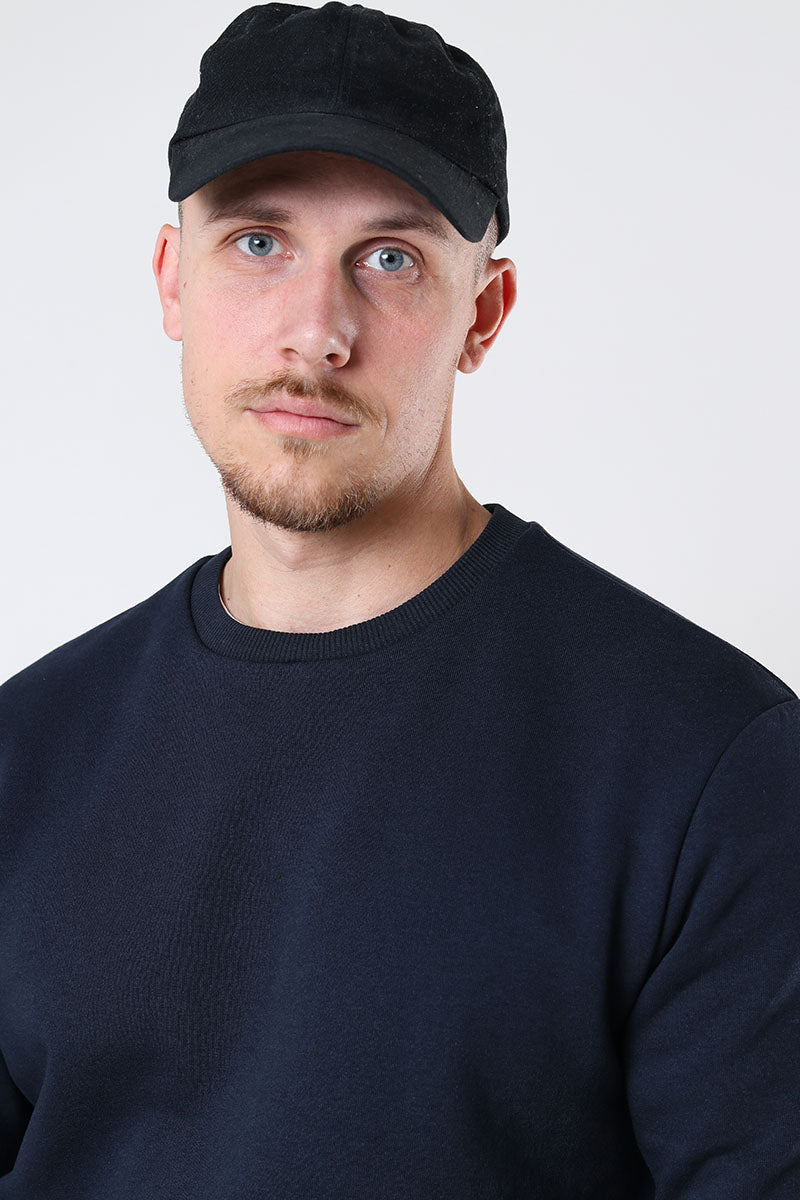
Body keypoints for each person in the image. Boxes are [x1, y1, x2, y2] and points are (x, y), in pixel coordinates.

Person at [0, 2, 797, 1196]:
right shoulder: (27, 751)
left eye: (389, 258)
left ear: (483, 313)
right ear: (172, 282)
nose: (314, 332)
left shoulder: (706, 763)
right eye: (257, 242)